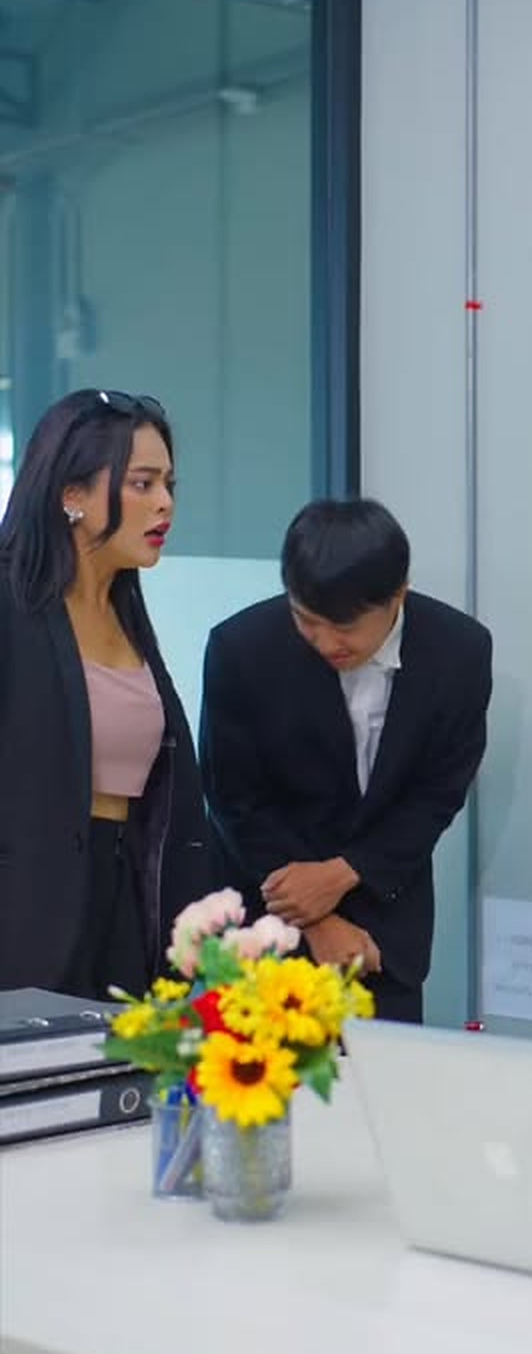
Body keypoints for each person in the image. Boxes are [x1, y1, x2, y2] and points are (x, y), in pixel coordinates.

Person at [199, 498, 493, 1023]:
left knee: (385, 1074)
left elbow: (438, 791)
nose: (327, 642)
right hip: (264, 931)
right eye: (307, 621)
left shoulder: (459, 651)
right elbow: (234, 798)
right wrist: (313, 917)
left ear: (398, 594)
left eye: (346, 626)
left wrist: (345, 873)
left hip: (383, 935)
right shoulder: (243, 648)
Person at [0, 389, 209, 997]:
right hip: (27, 914)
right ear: (72, 496)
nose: (165, 503)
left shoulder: (126, 611)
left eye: (169, 484)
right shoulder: (11, 605)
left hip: (125, 904)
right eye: (142, 484)